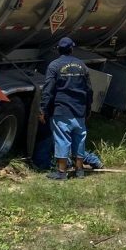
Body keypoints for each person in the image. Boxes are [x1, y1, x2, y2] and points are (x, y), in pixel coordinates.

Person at [40, 37, 93, 180]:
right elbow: (89, 90)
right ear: (72, 49)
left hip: (61, 110)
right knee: (80, 140)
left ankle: (61, 173)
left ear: (58, 49)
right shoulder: (82, 66)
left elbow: (48, 90)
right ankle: (79, 171)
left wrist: (44, 110)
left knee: (62, 140)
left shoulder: (54, 66)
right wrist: (88, 109)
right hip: (79, 109)